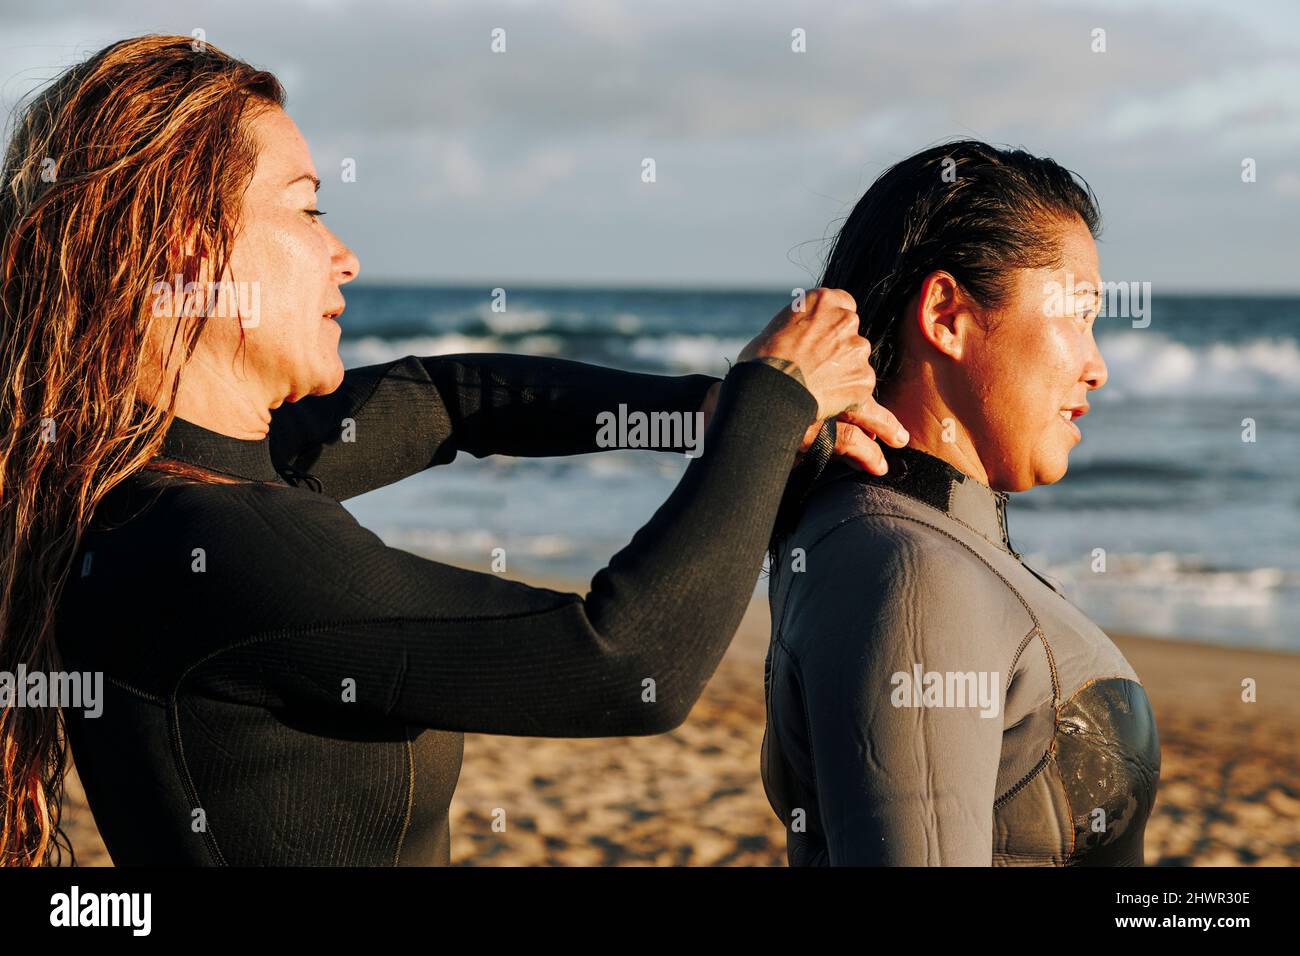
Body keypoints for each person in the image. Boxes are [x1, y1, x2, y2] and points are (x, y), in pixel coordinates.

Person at [0, 35, 909, 866]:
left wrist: (700, 409)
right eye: (308, 211)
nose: (344, 255)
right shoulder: (215, 543)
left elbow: (447, 402)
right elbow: (626, 667)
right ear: (194, 256)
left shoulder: (162, 478)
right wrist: (771, 398)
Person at [761, 141, 1161, 866]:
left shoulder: (898, 537)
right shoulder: (911, 573)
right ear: (947, 314)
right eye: (1077, 315)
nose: (1096, 366)